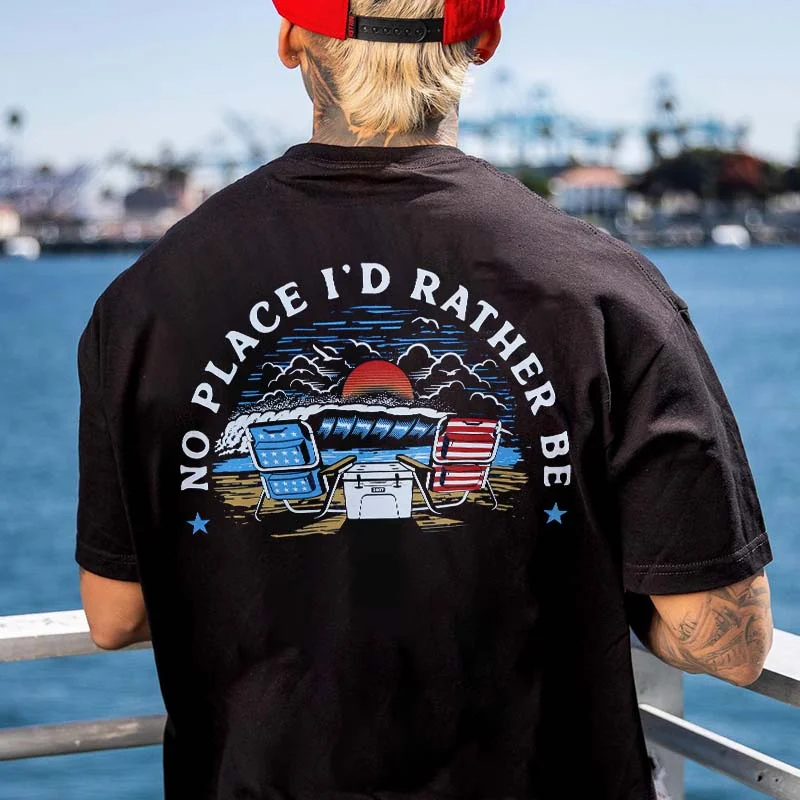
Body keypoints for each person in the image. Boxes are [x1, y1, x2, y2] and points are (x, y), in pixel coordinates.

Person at [76, 2, 774, 798]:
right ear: (484, 40)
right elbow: (725, 642)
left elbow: (115, 616)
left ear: (291, 40)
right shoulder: (609, 292)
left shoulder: (146, 303)